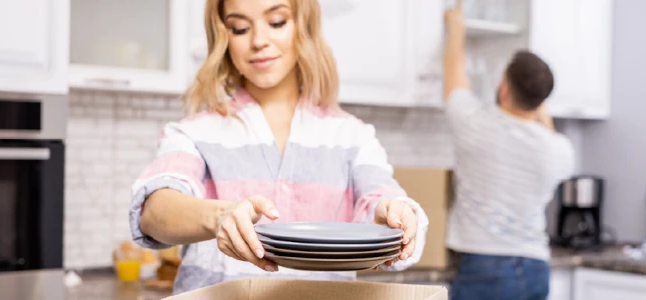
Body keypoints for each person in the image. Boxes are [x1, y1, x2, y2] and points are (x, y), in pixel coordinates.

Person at [128, 0, 429, 295]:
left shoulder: (353, 136)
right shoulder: (193, 132)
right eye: (240, 28)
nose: (259, 40)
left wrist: (392, 215)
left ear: (304, 26)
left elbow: (379, 197)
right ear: (224, 37)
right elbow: (153, 212)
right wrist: (220, 216)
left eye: (276, 22)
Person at [442, 1, 576, 300]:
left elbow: (454, 74)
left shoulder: (473, 122)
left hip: (484, 267)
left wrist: (456, 29)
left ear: (504, 89)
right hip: (536, 267)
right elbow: (547, 130)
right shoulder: (559, 150)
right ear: (542, 101)